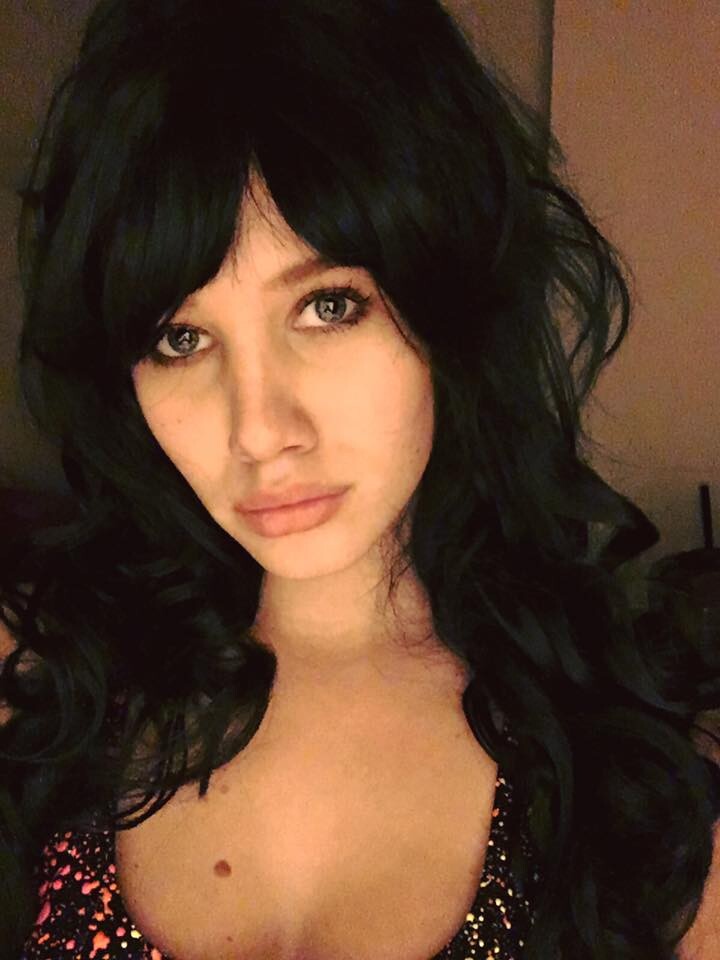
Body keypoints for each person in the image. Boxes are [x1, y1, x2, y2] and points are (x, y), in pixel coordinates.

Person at [1, 1, 719, 958]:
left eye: (329, 306)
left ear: (451, 301)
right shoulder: (50, 687)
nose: (261, 431)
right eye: (179, 337)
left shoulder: (643, 803)